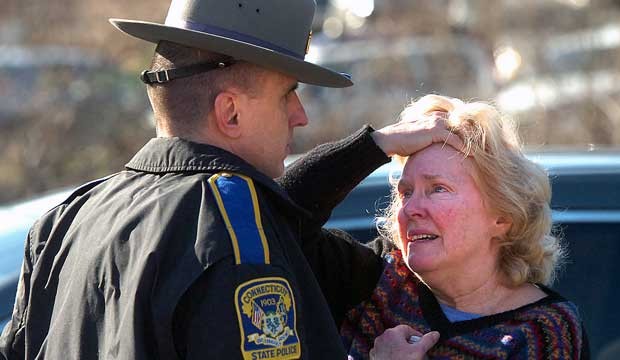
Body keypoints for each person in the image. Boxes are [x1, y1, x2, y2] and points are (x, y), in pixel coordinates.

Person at [0, 0, 451, 359]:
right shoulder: (233, 229)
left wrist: (372, 147)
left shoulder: (65, 220)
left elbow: (288, 215)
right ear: (230, 112)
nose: (301, 115)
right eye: (288, 95)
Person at [279, 94, 589, 359]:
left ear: (502, 216)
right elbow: (273, 215)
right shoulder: (374, 281)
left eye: (438, 188)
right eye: (405, 192)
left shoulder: (542, 332)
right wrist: (377, 143)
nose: (411, 209)